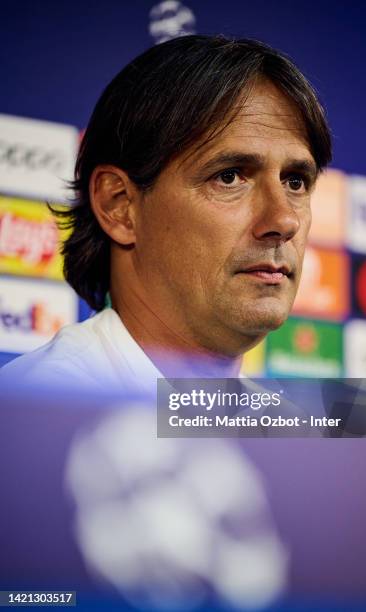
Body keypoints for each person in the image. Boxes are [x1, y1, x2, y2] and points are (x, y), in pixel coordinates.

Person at [1, 35, 331, 393]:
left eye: (295, 182)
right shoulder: (28, 419)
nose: (285, 221)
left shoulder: (301, 435)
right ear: (119, 206)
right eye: (229, 176)